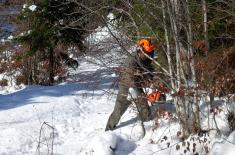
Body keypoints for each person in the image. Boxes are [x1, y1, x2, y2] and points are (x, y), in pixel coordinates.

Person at [105, 38, 157, 131]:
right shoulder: (131, 61)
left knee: (144, 108)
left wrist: (152, 80)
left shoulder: (147, 59)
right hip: (126, 84)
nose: (149, 55)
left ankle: (146, 126)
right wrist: (138, 91)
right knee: (120, 107)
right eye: (147, 53)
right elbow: (129, 77)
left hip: (138, 83)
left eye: (150, 53)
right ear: (140, 50)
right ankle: (109, 128)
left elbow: (150, 70)